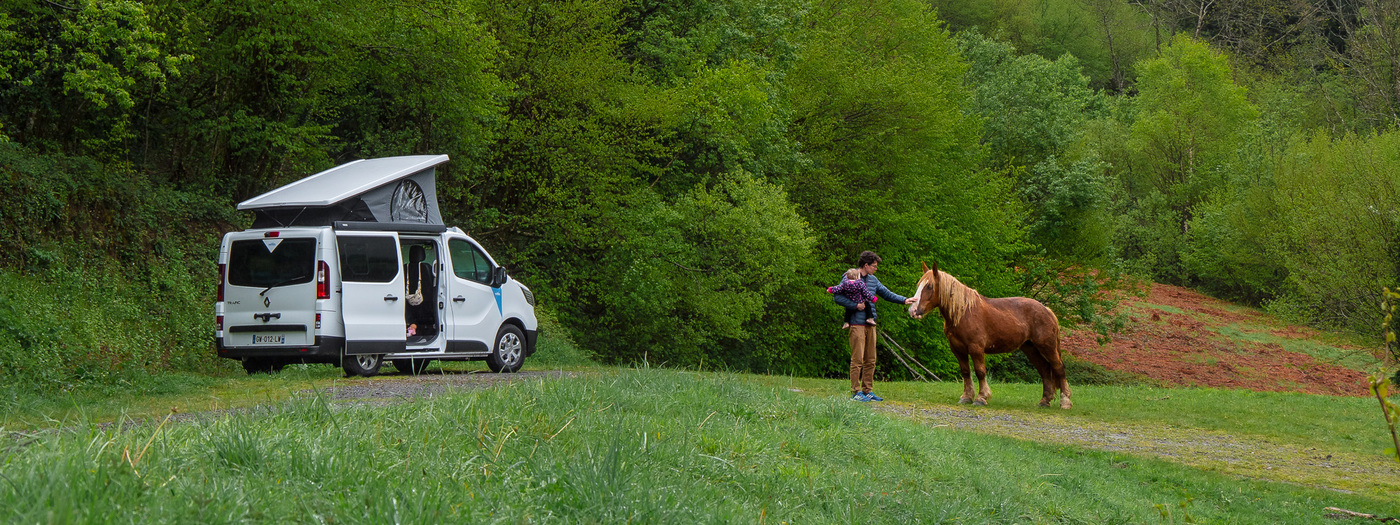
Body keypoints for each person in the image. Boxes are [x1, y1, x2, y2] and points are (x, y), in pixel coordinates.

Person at [833, 251, 917, 402]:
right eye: (874, 266)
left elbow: (886, 293)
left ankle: (868, 390)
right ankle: (855, 392)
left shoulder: (873, 280)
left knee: (871, 359)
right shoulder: (849, 276)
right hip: (856, 323)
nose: (876, 269)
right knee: (857, 359)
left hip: (870, 324)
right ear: (866, 265)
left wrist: (904, 300)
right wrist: (855, 305)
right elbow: (837, 296)